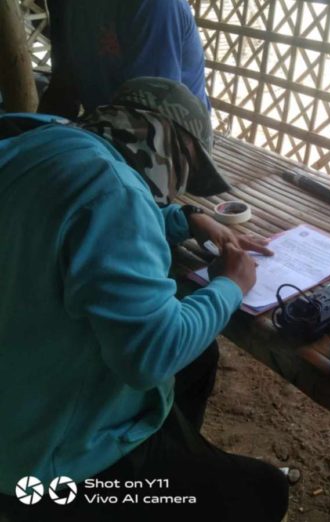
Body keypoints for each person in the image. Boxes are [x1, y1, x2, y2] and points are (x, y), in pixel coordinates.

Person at [0, 77, 288, 521]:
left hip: (20, 386)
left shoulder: (39, 140)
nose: (178, 186)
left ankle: (170, 463)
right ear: (172, 145)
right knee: (264, 492)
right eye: (186, 169)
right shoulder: (114, 193)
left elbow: (82, 216)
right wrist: (231, 285)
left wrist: (187, 216)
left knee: (198, 358)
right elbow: (150, 355)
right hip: (44, 470)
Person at [39, 0, 210, 119]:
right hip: (105, 129)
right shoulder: (62, 4)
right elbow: (63, 89)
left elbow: (155, 117)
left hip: (175, 143)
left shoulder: (152, 5)